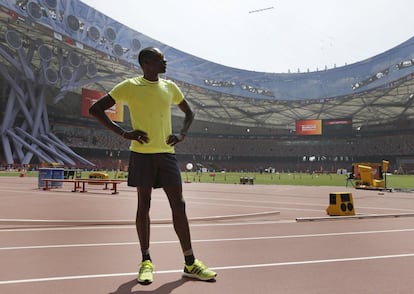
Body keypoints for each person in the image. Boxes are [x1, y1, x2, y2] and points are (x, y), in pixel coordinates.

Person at [89, 47, 216, 284]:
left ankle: (190, 263)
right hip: (142, 154)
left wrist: (182, 134)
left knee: (179, 205)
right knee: (143, 206)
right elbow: (95, 109)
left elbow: (189, 113)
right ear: (146, 63)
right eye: (160, 60)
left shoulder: (170, 87)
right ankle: (146, 261)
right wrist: (124, 133)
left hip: (167, 154)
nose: (165, 63)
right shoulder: (129, 86)